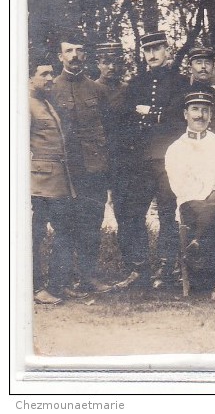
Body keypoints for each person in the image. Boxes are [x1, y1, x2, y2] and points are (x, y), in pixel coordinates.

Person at [116, 30, 191, 289]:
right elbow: (127, 117)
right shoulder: (136, 84)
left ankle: (166, 265)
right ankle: (138, 267)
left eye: (157, 49)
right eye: (147, 50)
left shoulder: (181, 82)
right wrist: (157, 115)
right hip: (141, 159)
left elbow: (178, 118)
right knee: (131, 211)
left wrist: (150, 114)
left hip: (169, 157)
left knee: (168, 212)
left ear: (167, 51)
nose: (152, 55)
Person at [49, 33, 115, 296]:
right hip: (64, 170)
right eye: (69, 51)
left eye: (79, 50)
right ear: (60, 56)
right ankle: (62, 281)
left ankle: (88, 276)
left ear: (85, 55)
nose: (74, 56)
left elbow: (109, 130)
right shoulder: (52, 88)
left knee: (91, 223)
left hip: (94, 168)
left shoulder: (98, 90)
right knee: (64, 224)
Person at [164, 90, 215, 303]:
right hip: (191, 201)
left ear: (211, 115)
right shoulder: (175, 149)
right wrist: (205, 186)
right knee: (209, 210)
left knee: (214, 203)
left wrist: (203, 185)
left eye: (205, 111)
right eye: (195, 110)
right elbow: (179, 185)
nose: (200, 115)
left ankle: (198, 243)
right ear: (185, 114)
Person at [29, 54, 74, 304]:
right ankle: (36, 288)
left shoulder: (47, 103)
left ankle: (57, 285)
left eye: (51, 73)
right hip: (37, 184)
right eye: (44, 74)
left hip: (57, 181)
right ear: (28, 77)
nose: (49, 78)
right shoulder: (24, 104)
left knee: (65, 230)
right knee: (33, 236)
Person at [185, 45, 215, 137]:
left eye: (207, 63)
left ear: (214, 69)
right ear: (190, 68)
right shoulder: (182, 95)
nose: (203, 67)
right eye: (198, 63)